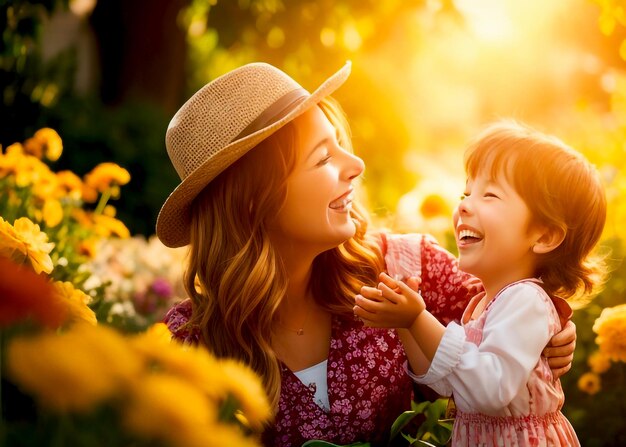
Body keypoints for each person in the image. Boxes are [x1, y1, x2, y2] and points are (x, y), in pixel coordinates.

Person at [156, 63, 577, 446]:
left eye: (340, 144)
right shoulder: (190, 351)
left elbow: (512, 298)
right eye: (322, 158)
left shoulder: (407, 268)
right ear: (254, 201)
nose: (355, 163)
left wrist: (552, 328)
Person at [354, 121, 607, 446]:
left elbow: (490, 390)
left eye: (489, 194)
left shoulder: (526, 300)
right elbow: (451, 384)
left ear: (544, 235)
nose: (463, 205)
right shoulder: (487, 303)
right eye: (466, 192)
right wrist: (406, 326)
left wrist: (419, 318)